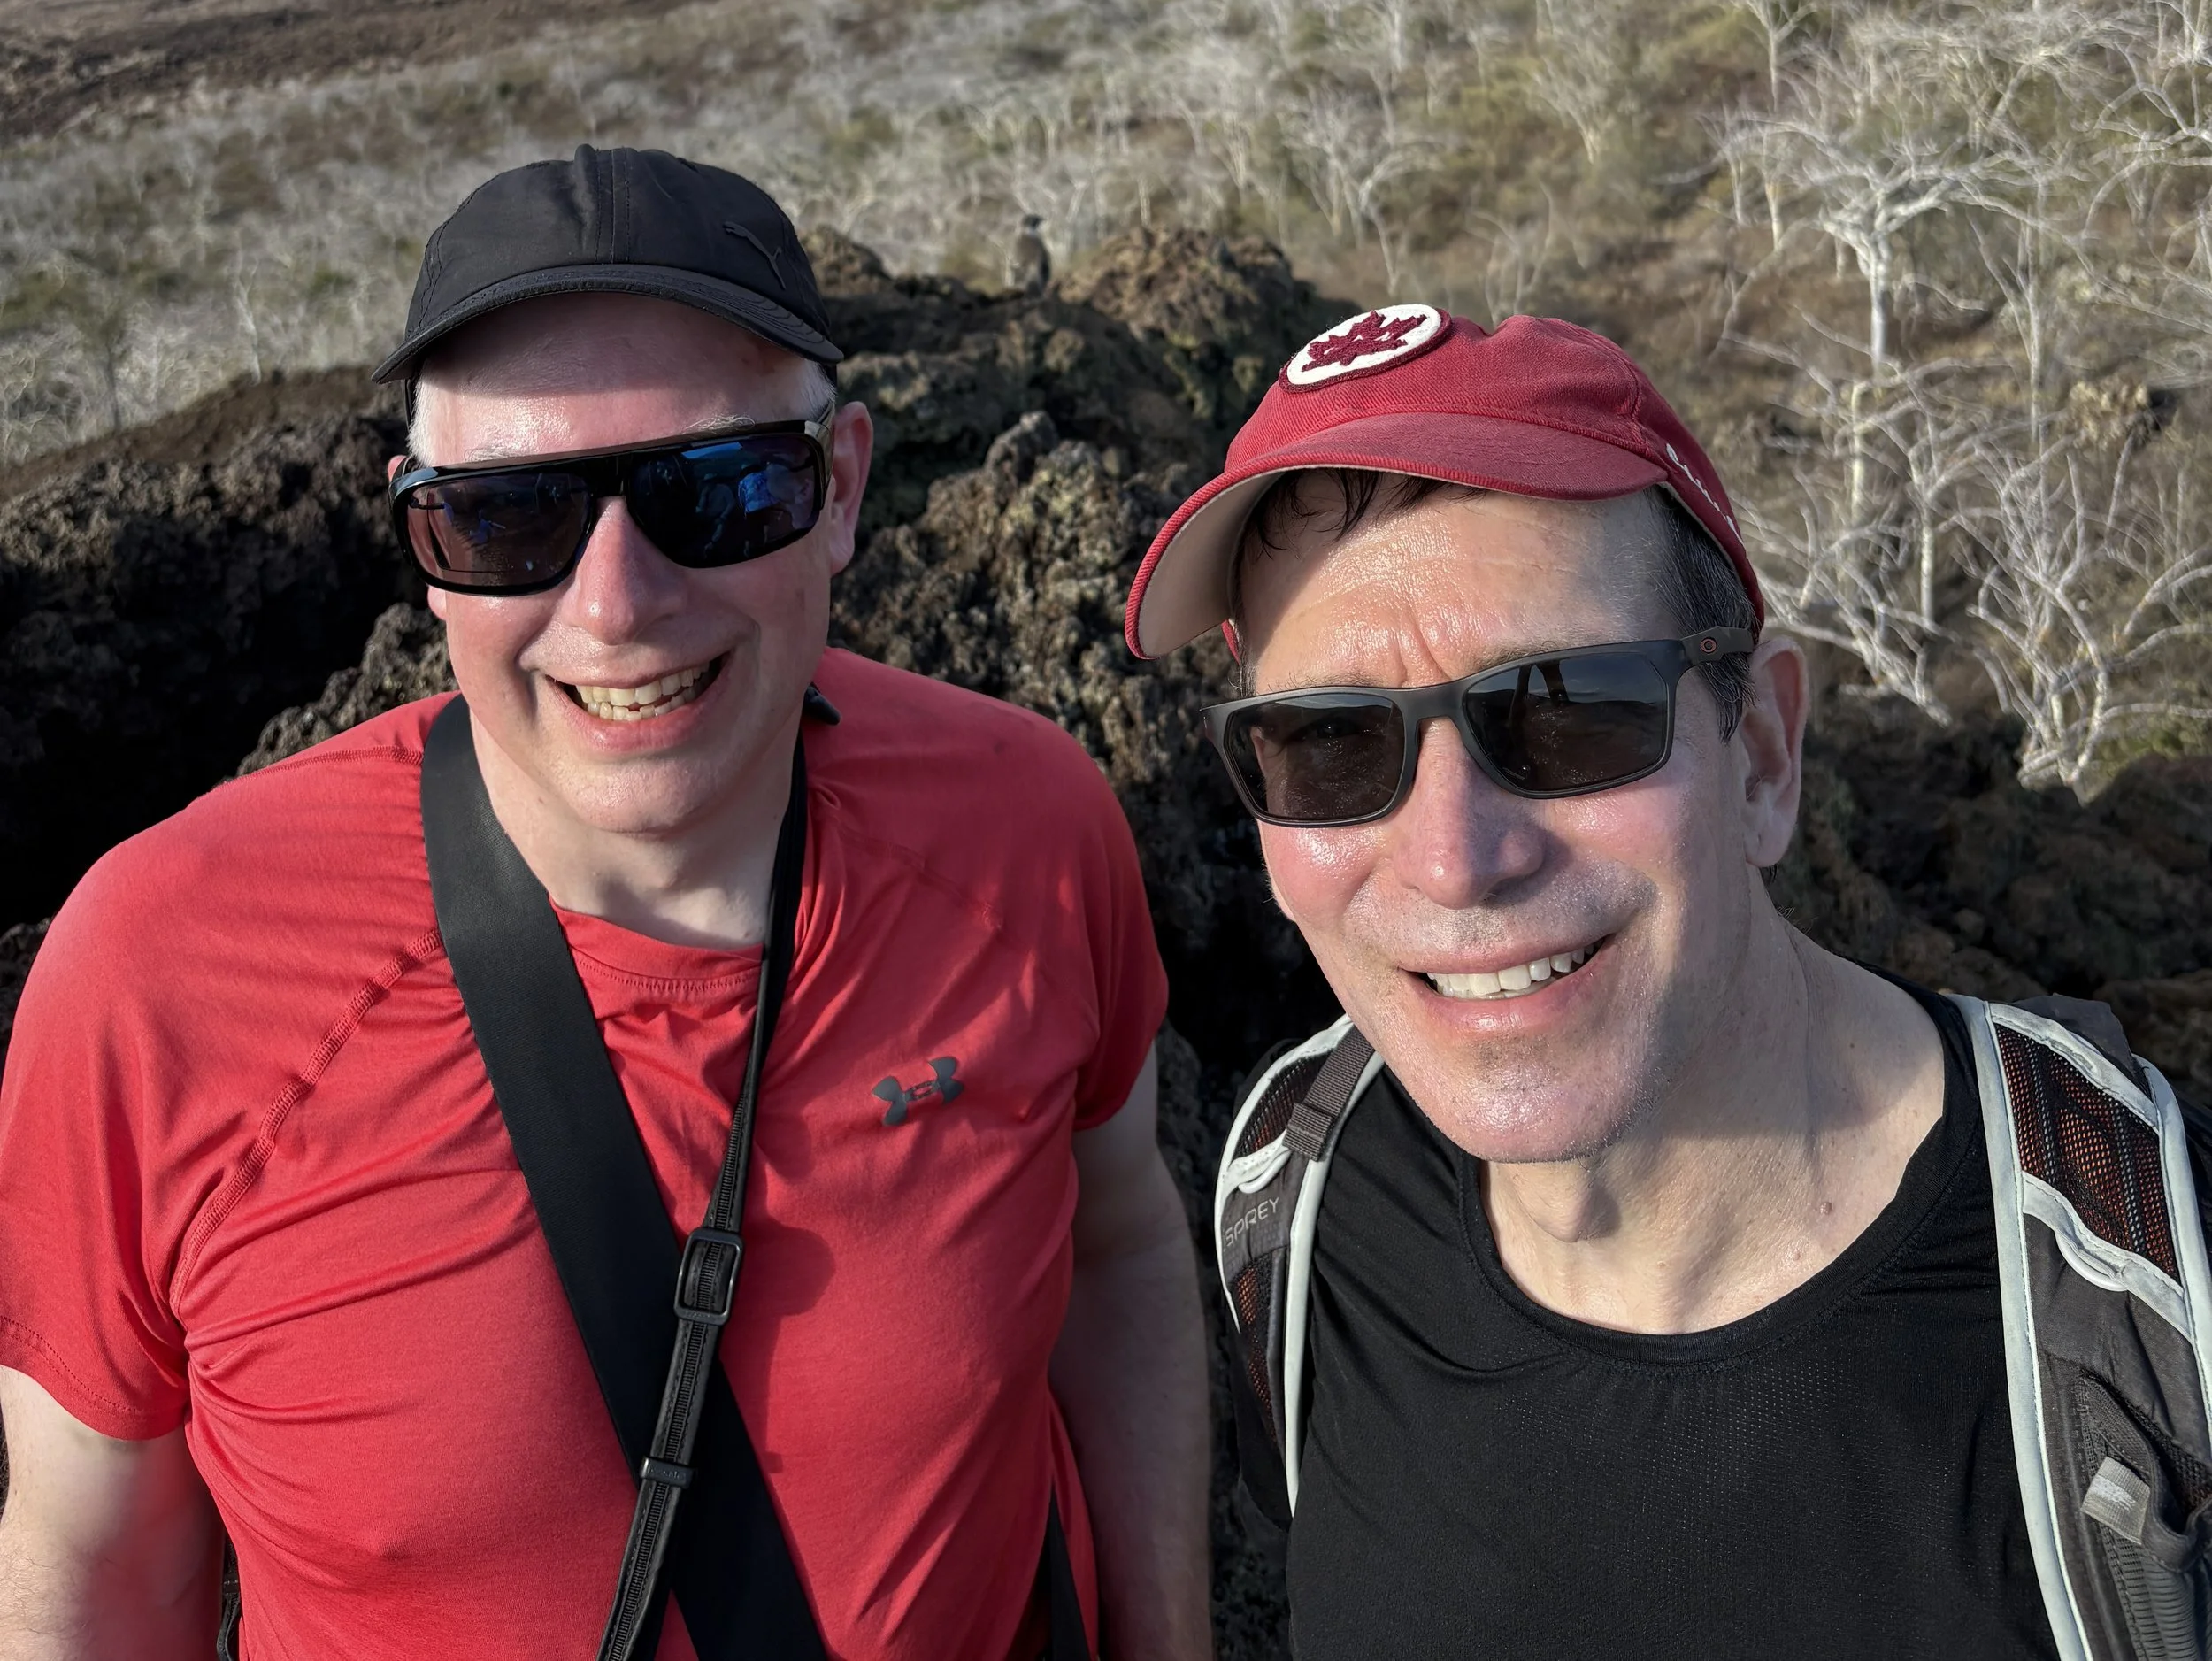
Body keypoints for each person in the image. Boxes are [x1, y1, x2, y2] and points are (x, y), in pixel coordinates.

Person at [0, 145, 1211, 1661]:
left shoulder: (1029, 832)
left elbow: (1120, 1253)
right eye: (509, 521)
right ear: (421, 547)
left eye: (718, 492)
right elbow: (96, 1559)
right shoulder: (162, 978)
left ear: (840, 489)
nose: (617, 603)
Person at [1125, 300, 2211, 1661]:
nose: (1457, 861)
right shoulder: (1296, 1194)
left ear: (1760, 752)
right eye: (1330, 747)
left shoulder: (2146, 1298)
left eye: (1568, 710)